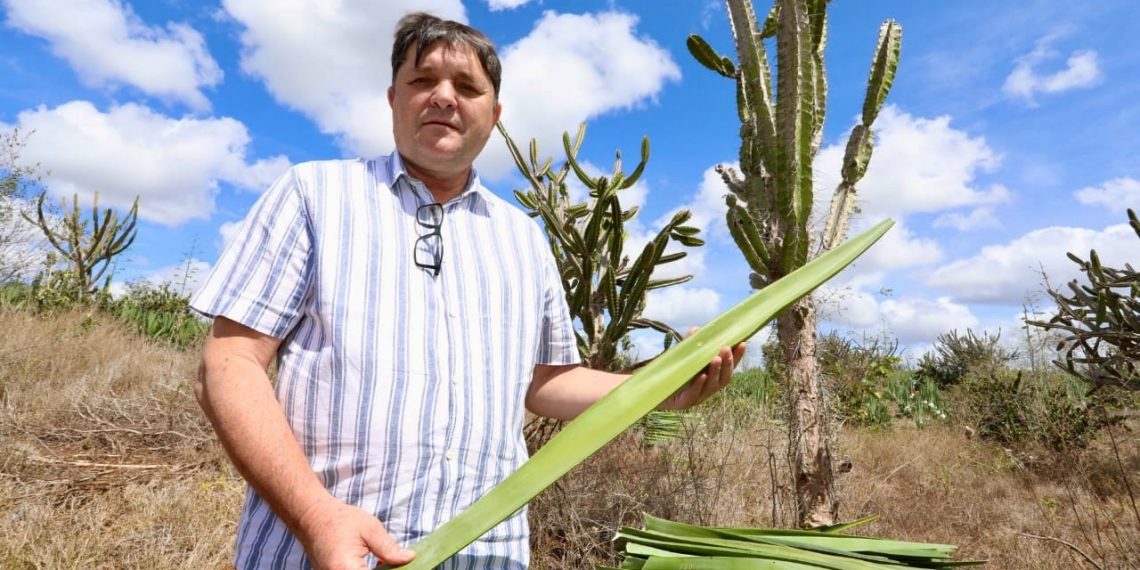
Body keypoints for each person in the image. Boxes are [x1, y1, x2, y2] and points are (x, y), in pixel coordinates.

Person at [191, 12, 745, 570]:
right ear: (392, 98)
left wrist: (655, 388)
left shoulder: (523, 238)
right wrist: (317, 516)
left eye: (467, 86)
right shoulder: (313, 196)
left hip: (489, 556)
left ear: (494, 113)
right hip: (315, 551)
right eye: (422, 80)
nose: (443, 97)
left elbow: (548, 381)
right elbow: (230, 361)